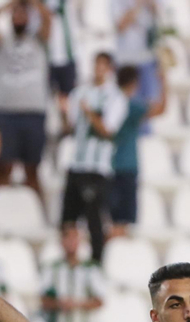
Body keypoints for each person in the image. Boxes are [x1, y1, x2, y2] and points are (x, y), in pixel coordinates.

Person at [60, 52, 126, 263]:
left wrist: (89, 113)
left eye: (102, 65)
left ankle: (97, 262)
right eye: (95, 64)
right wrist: (62, 112)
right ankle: (68, 262)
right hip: (76, 163)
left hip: (97, 167)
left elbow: (108, 130)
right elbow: (70, 126)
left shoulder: (115, 97)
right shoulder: (79, 93)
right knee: (68, 218)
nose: (98, 69)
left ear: (109, 69)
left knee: (94, 219)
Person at [0, 0, 50, 198]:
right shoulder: (2, 42)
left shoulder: (38, 41)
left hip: (33, 112)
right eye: (16, 14)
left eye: (23, 14)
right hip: (5, 112)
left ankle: (41, 215)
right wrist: (9, 5)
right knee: (3, 168)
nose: (19, 17)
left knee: (33, 170)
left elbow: (48, 19)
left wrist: (32, 4)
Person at [107, 63, 167, 239]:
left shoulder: (110, 102)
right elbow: (161, 109)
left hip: (109, 164)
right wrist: (164, 83)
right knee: (123, 222)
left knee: (114, 220)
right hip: (125, 165)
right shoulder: (131, 105)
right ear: (134, 82)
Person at [108, 0, 156, 105]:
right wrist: (138, 4)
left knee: (148, 105)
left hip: (148, 59)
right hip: (126, 61)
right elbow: (121, 26)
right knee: (127, 105)